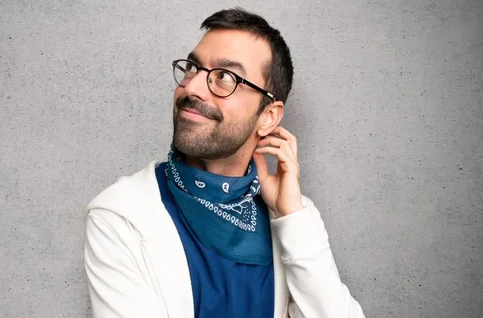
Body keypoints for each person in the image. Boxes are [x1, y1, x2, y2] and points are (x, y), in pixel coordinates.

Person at [84, 7, 365, 318]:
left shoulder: (296, 216)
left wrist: (291, 217)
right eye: (192, 67)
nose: (190, 88)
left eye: (225, 77)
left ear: (268, 116)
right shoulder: (120, 215)